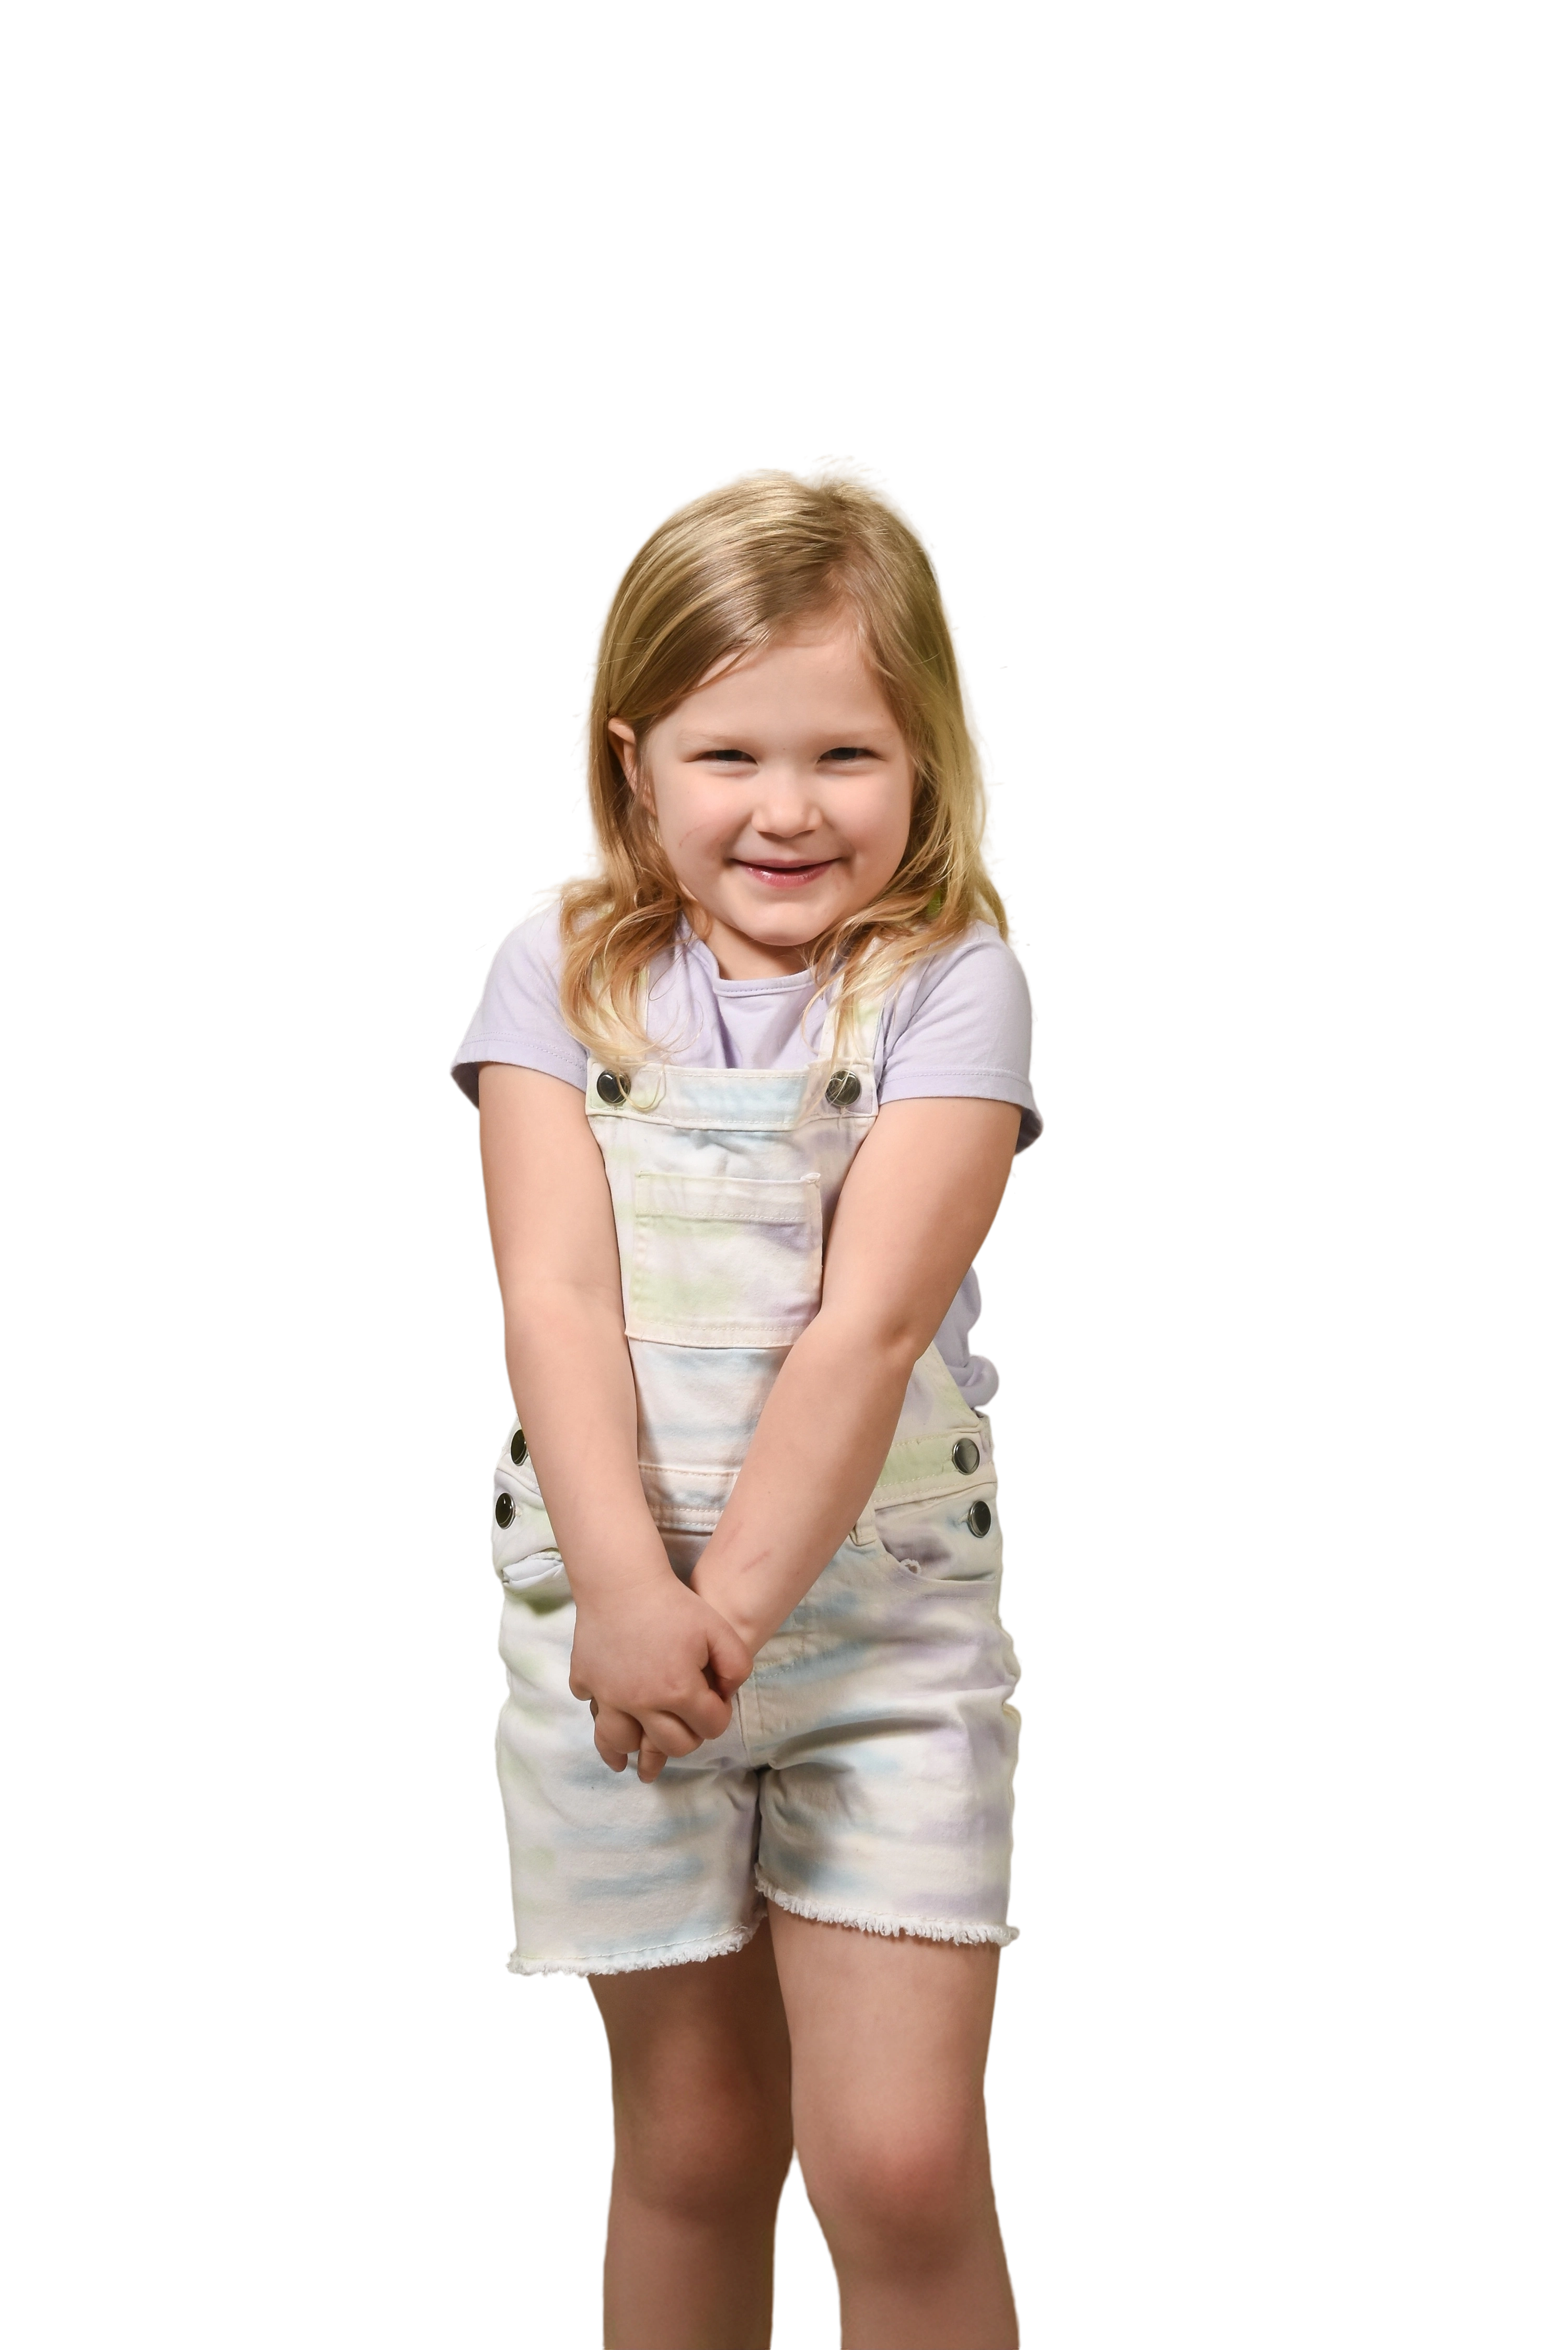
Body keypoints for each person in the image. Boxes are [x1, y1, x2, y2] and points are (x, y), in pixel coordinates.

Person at [446, 455, 1040, 2350]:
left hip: (880, 1638)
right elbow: (553, 1295)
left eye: (846, 755)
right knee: (695, 2145)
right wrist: (633, 1599)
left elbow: (869, 1329)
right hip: (615, 1625)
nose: (788, 810)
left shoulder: (953, 983)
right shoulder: (557, 968)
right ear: (635, 762)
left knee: (900, 2161)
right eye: (730, 756)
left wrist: (731, 1613)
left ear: (927, 758)